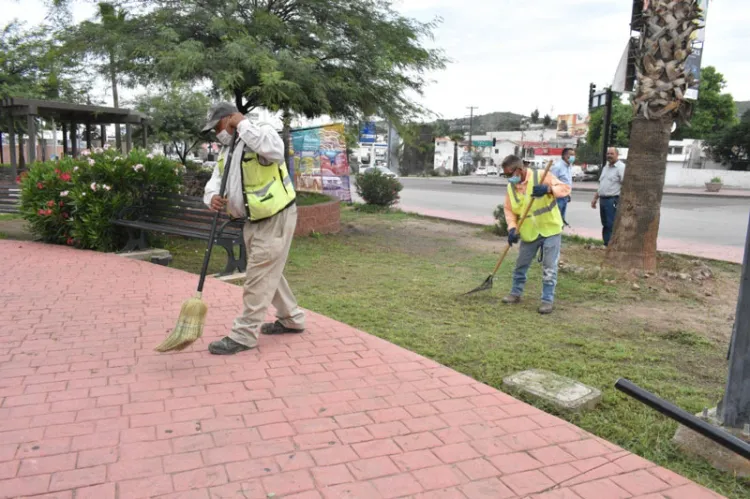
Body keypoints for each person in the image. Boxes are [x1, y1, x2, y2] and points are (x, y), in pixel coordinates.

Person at [201, 102, 305, 355]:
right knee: (267, 270)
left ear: (229, 119)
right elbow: (216, 179)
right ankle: (292, 318)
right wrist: (212, 196)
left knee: (258, 276)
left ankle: (244, 335)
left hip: (275, 216)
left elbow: (275, 151)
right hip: (252, 220)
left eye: (218, 126)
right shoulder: (228, 150)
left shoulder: (260, 132)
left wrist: (243, 124)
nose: (217, 133)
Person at [501, 154, 571, 314]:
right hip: (529, 232)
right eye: (505, 175)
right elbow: (509, 210)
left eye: (509, 174)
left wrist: (548, 189)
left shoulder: (541, 176)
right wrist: (512, 228)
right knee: (521, 264)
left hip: (550, 228)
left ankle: (547, 301)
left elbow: (566, 189)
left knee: (549, 266)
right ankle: (515, 293)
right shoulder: (511, 187)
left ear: (519, 170)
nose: (508, 178)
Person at [591, 147, 626, 246]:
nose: (609, 156)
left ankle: (612, 245)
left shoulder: (621, 167)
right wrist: (595, 198)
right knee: (605, 223)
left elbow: (625, 185)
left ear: (617, 155)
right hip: (603, 199)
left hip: (613, 199)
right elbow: (602, 185)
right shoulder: (605, 167)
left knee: (611, 223)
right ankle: (606, 243)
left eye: (612, 154)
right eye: (608, 154)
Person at [550, 147, 575, 226]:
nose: (572, 157)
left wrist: (569, 194)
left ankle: (559, 233)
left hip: (565, 196)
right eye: (570, 155)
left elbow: (568, 182)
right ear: (564, 156)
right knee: (556, 219)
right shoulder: (557, 167)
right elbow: (551, 182)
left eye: (573, 155)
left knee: (561, 219)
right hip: (558, 197)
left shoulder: (569, 166)